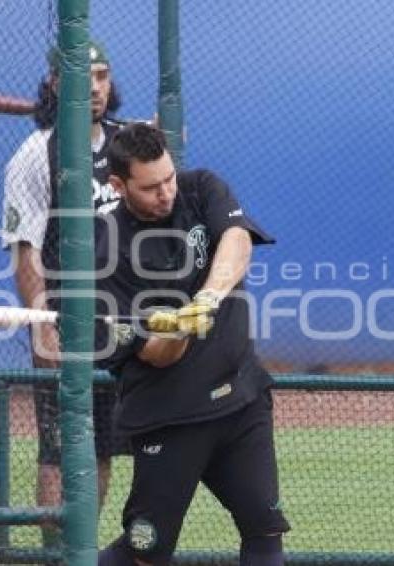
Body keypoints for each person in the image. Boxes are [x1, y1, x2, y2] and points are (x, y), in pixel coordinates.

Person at [93, 123, 290, 566]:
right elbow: (154, 355)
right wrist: (178, 329)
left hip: (241, 398)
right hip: (171, 415)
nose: (166, 193)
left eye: (168, 179)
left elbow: (237, 242)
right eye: (151, 187)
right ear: (119, 186)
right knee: (147, 550)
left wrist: (206, 298)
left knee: (265, 528)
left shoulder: (201, 188)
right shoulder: (108, 247)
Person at [1, 38, 124, 548]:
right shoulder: (35, 154)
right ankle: (58, 555)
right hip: (65, 326)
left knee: (102, 450)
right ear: (55, 84)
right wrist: (40, 323)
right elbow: (25, 247)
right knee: (57, 451)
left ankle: (83, 551)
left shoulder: (128, 143)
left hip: (122, 322)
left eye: (101, 76)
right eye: (81, 77)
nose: (93, 87)